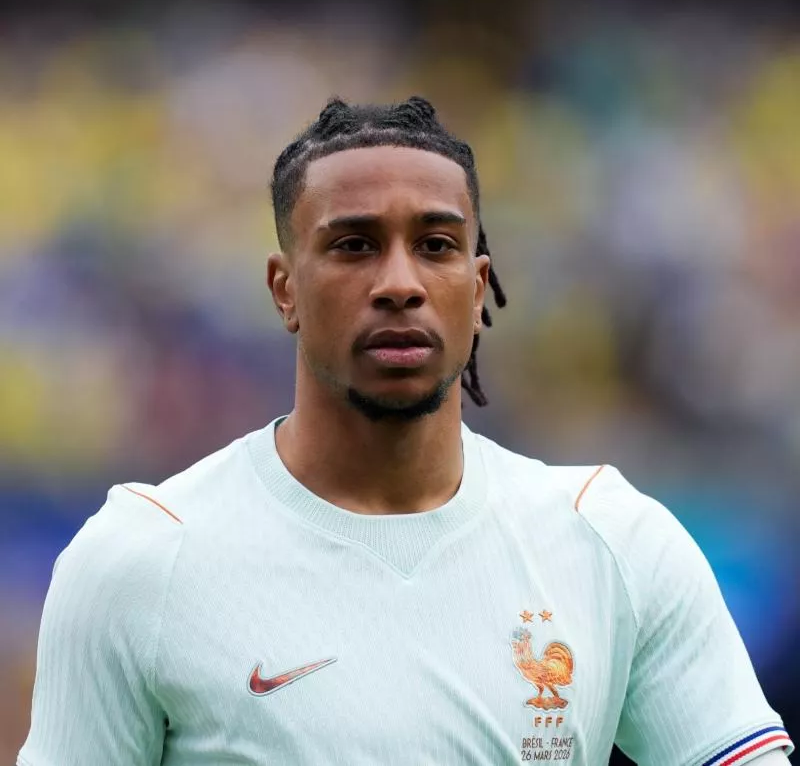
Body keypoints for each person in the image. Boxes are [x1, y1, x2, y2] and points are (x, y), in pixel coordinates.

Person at [19, 97, 793, 766]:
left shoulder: (612, 539)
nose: (399, 283)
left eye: (436, 245)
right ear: (284, 289)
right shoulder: (143, 559)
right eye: (354, 245)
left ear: (478, 284)